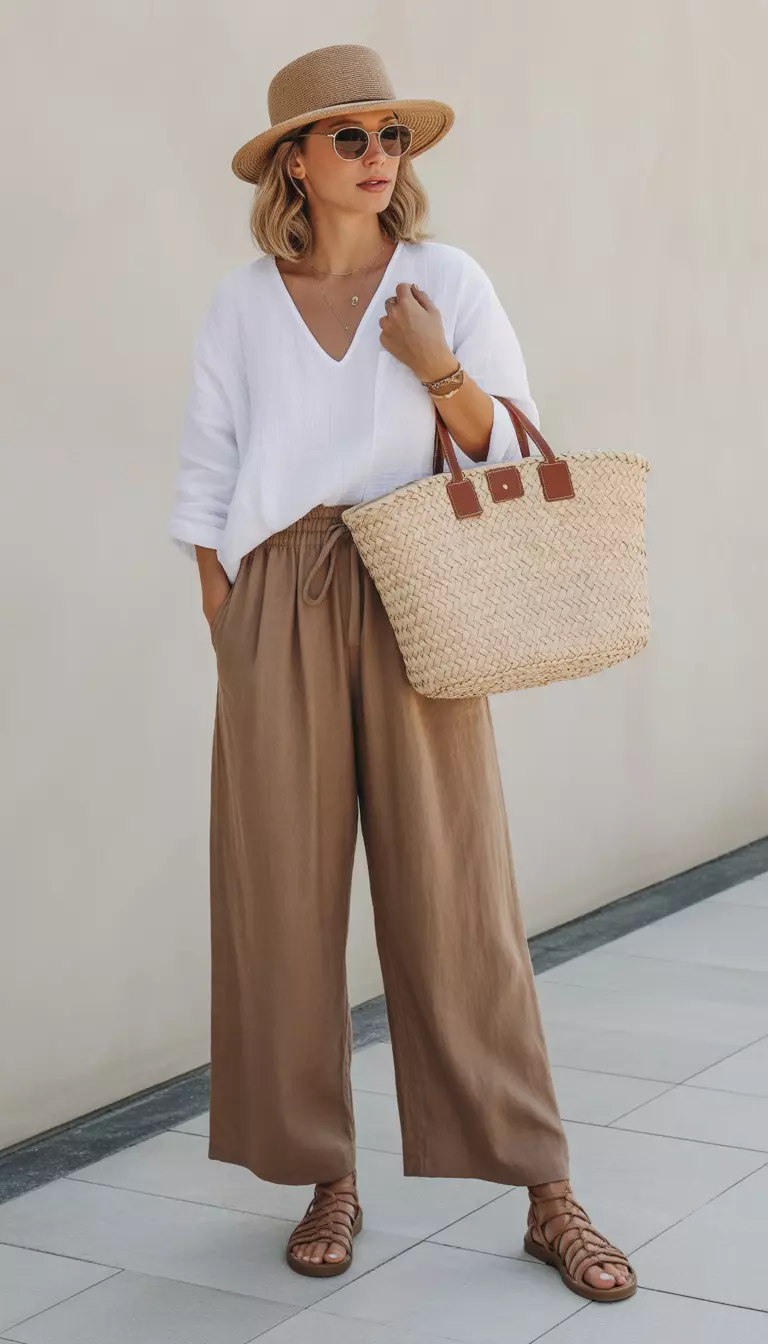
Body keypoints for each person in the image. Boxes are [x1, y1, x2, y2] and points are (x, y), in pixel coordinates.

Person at [167, 42, 636, 1303]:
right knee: (283, 897)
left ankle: (546, 1188)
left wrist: (434, 363)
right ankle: (329, 1174)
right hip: (277, 597)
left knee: (456, 892)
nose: (382, 159)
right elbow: (209, 465)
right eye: (353, 138)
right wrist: (224, 606)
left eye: (393, 137)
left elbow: (503, 449)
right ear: (294, 165)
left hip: (418, 580)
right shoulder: (240, 302)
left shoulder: (445, 280)